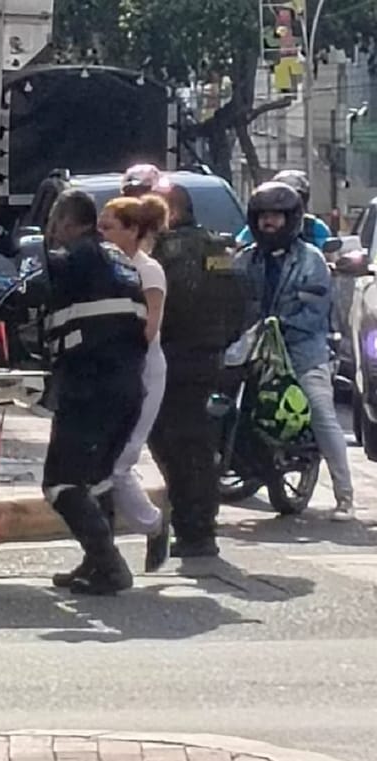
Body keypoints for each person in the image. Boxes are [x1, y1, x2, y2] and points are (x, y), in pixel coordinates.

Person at [40, 189, 149, 595]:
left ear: (67, 223)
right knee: (98, 479)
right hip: (127, 385)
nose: (52, 232)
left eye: (54, 223)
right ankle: (96, 564)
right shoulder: (119, 259)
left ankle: (110, 565)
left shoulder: (74, 258)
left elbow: (32, 285)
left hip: (90, 387)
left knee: (61, 483)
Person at [236, 181, 355, 521]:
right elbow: (232, 301)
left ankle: (345, 497)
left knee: (320, 411)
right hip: (254, 348)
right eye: (263, 216)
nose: (268, 222)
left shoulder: (311, 259)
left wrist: (280, 325)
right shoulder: (245, 259)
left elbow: (315, 312)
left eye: (276, 216)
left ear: (291, 219)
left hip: (302, 351)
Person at [147, 183, 248, 557]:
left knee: (174, 444)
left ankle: (193, 527)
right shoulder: (217, 246)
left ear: (170, 211)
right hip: (209, 357)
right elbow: (239, 301)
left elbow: (163, 304)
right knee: (196, 445)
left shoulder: (166, 250)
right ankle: (198, 527)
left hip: (174, 356)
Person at [94, 194, 173, 573]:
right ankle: (99, 554)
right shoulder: (105, 267)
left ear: (133, 230)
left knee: (120, 461)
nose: (101, 233)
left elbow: (149, 328)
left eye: (108, 227)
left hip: (141, 371)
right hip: (109, 370)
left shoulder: (148, 271)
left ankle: (154, 524)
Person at [235, 170, 332, 249]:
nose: (269, 220)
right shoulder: (258, 227)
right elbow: (240, 244)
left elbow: (329, 253)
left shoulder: (314, 226)